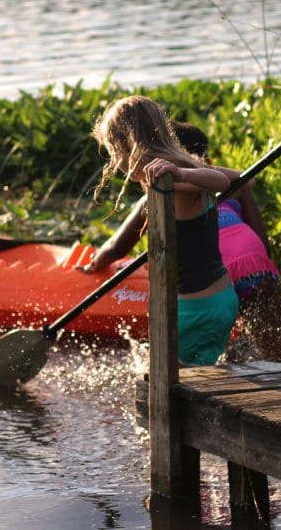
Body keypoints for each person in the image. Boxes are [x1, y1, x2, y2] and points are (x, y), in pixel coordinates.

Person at [82, 119, 281, 360]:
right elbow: (261, 237)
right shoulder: (220, 181)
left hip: (211, 275)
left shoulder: (163, 189)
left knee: (197, 354)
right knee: (278, 353)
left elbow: (116, 248)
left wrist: (94, 264)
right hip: (253, 261)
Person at [85, 95, 239, 366]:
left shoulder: (175, 175)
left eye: (112, 153)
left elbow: (221, 181)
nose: (114, 163)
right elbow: (237, 180)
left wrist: (182, 174)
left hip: (195, 311)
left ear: (125, 147)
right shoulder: (180, 166)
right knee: (194, 379)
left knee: (171, 390)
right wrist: (187, 170)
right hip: (219, 300)